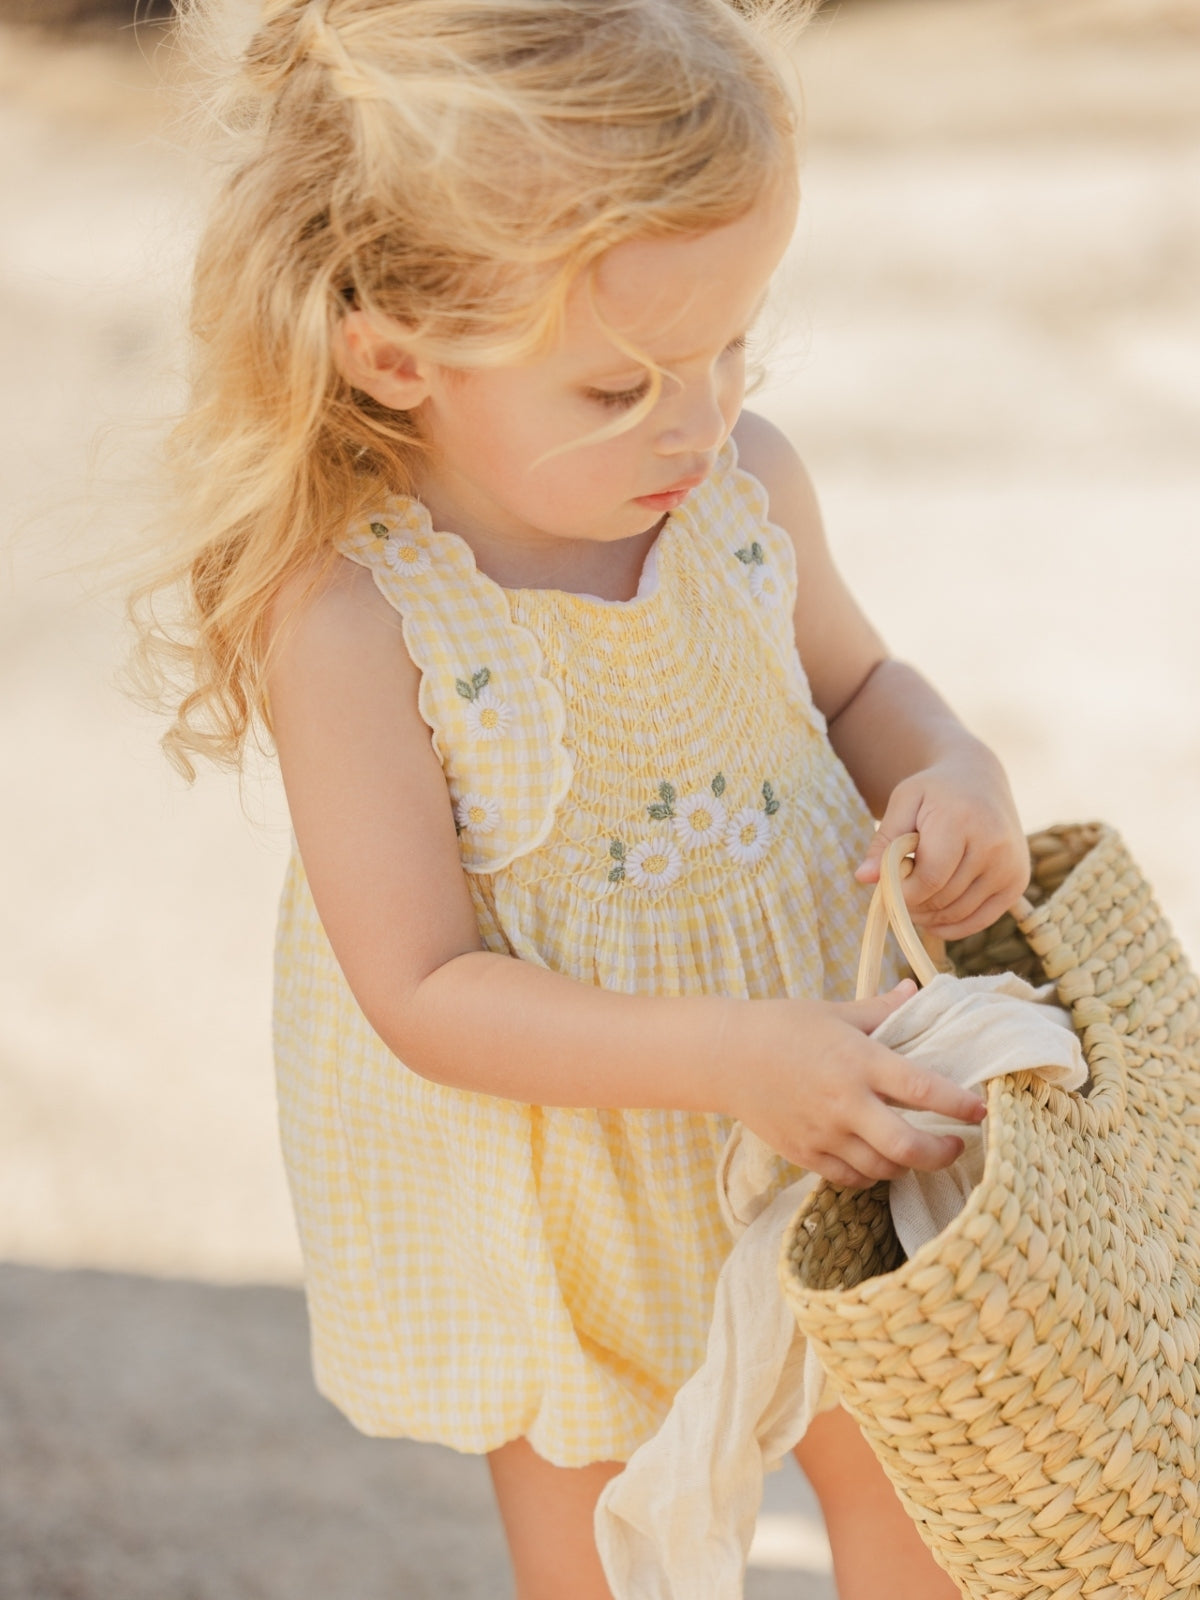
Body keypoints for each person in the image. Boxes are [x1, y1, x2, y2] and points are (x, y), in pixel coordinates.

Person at [135, 1, 1031, 1594]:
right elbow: (419, 987)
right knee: (615, 1566)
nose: (694, 418)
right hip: (568, 1197)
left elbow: (857, 687)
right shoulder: (355, 618)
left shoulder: (744, 486)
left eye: (725, 349)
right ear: (395, 354)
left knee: (927, 1516)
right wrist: (724, 1057)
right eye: (616, 390)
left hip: (828, 1109)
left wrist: (953, 769)